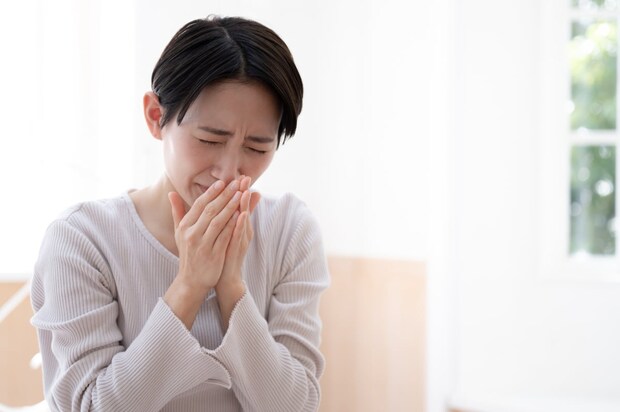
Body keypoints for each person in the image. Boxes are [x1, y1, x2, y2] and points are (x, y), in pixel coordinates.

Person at [30, 15, 329, 412]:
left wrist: (231, 288)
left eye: (257, 148)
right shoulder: (82, 239)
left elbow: (295, 406)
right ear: (156, 117)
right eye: (209, 140)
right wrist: (189, 285)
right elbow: (90, 406)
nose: (229, 172)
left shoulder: (290, 230)